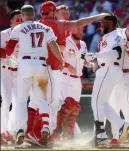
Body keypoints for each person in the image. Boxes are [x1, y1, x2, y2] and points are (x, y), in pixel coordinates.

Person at [26, 1, 111, 146]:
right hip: (53, 69)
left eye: (67, 13)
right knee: (53, 103)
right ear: (54, 12)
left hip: (35, 66)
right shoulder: (58, 25)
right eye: (62, 12)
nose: (66, 15)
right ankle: (47, 132)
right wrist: (100, 16)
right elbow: (78, 23)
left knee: (37, 102)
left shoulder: (36, 25)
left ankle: (32, 132)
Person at [4, 5, 64, 146]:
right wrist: (61, 60)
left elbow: (8, 49)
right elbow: (54, 45)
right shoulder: (45, 28)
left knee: (21, 99)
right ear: (34, 14)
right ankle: (46, 126)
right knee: (42, 99)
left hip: (24, 65)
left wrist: (11, 54)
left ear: (23, 16)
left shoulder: (18, 28)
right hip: (41, 65)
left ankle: (20, 129)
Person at [79, 15, 129, 146]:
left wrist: (96, 55)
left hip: (109, 68)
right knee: (100, 103)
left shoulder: (117, 34)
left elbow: (116, 53)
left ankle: (101, 134)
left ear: (112, 23)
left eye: (103, 22)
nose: (101, 24)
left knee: (96, 102)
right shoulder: (106, 36)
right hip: (105, 69)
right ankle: (119, 125)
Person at [54, 27, 95, 140]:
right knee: (66, 106)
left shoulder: (83, 44)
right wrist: (67, 66)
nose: (80, 32)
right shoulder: (65, 41)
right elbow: (57, 58)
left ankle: (68, 136)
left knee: (74, 108)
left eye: (81, 30)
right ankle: (56, 134)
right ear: (71, 30)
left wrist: (90, 64)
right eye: (77, 30)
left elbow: (84, 60)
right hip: (65, 78)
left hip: (77, 79)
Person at [0, 9, 22, 145]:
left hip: (19, 72)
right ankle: (3, 131)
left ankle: (11, 131)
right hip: (5, 71)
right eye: (17, 20)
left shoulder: (25, 34)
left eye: (22, 20)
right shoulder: (3, 34)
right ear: (11, 21)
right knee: (6, 101)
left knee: (18, 103)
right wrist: (10, 53)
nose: (20, 22)